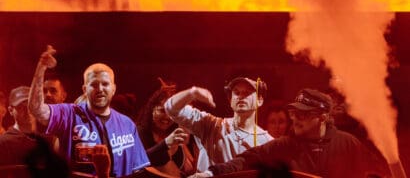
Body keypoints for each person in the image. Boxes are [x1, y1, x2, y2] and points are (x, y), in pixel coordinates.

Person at [193, 88, 373, 178]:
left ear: (323, 117)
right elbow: (245, 160)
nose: (295, 119)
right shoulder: (283, 146)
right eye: (294, 113)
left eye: (303, 114)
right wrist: (210, 173)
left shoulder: (348, 144)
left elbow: (371, 172)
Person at [28, 45, 150, 177]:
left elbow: (138, 170)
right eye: (94, 84)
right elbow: (37, 109)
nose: (100, 89)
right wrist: (41, 68)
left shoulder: (127, 124)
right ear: (84, 89)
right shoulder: (70, 114)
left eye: (105, 84)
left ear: (114, 89)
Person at [164, 77, 273, 172]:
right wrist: (193, 92)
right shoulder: (211, 125)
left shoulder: (267, 142)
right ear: (230, 101)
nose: (240, 96)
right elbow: (171, 108)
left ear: (260, 101)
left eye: (247, 92)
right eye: (236, 92)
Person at [137, 78, 196, 177]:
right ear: (152, 109)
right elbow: (140, 160)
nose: (167, 117)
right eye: (162, 111)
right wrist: (166, 143)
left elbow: (191, 169)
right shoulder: (140, 132)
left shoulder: (175, 132)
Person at [0, 86, 38, 165]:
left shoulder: (48, 141)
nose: (27, 111)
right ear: (10, 110)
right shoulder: (3, 142)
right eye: (21, 107)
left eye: (30, 105)